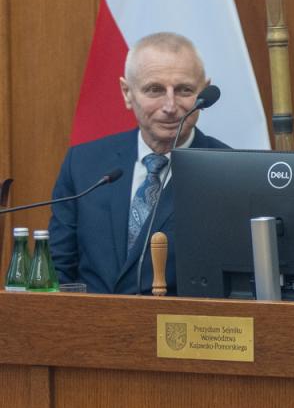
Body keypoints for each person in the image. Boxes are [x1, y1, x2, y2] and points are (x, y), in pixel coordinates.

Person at [49, 32, 228, 294]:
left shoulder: (228, 172)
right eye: (155, 90)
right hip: (90, 318)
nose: (170, 106)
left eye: (184, 90)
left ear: (203, 90)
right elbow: (57, 269)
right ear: (127, 93)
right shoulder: (83, 164)